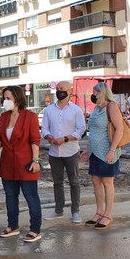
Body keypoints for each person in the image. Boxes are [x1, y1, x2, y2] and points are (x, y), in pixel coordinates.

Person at [0, 85, 43, 243]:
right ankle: (13, 226)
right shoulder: (4, 117)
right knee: (10, 197)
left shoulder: (30, 116)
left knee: (31, 197)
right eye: (4, 98)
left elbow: (35, 140)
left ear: (17, 99)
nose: (5, 101)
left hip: (26, 164)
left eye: (8, 98)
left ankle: (35, 229)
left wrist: (36, 160)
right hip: (7, 164)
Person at [80, 82, 123, 230]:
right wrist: (87, 149)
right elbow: (93, 132)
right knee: (95, 181)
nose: (93, 95)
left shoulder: (112, 106)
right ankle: (98, 212)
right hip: (94, 151)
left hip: (107, 151)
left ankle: (107, 214)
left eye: (95, 92)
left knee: (107, 182)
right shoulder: (97, 108)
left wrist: (112, 150)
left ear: (103, 92)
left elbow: (119, 129)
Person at [41, 81, 86, 223]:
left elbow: (81, 129)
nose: (59, 91)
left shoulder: (76, 110)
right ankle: (58, 210)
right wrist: (49, 137)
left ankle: (75, 211)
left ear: (70, 91)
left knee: (74, 182)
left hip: (71, 151)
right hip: (54, 153)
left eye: (62, 89)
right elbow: (44, 128)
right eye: (58, 89)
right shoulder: (48, 110)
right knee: (57, 182)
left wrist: (66, 139)